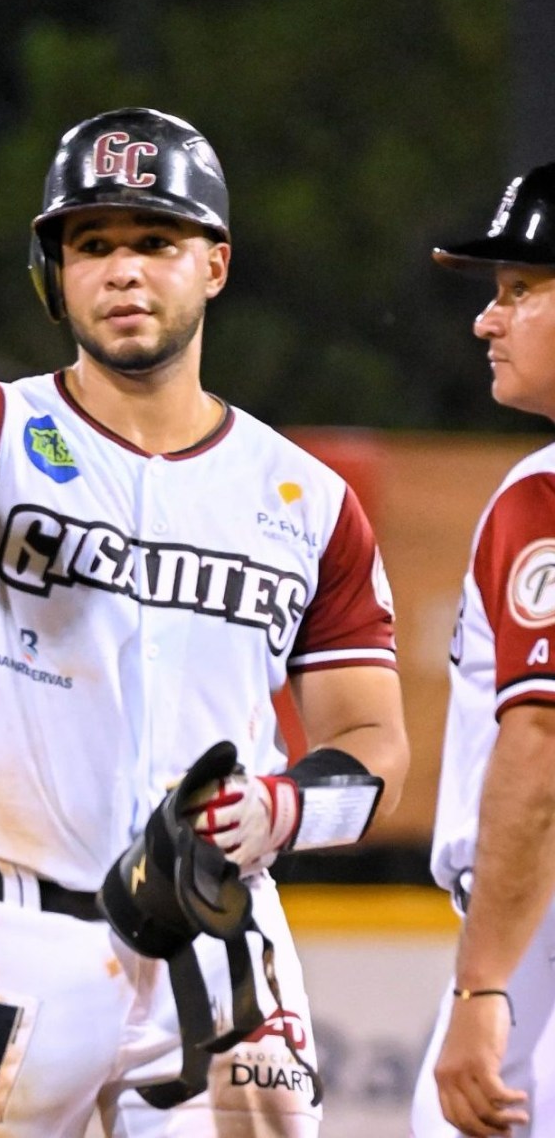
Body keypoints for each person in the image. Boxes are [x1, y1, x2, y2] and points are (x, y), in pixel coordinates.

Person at [0, 107, 409, 1137]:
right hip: (2, 937)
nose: (124, 270)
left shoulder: (307, 500)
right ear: (56, 277)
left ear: (215, 264)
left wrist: (281, 809)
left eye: (156, 240)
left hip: (221, 942)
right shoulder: (2, 429)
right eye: (92, 245)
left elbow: (375, 751)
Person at [410, 162, 555, 1138]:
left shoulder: (543, 494)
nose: (485, 320)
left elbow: (542, 746)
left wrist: (483, 988)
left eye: (520, 292)